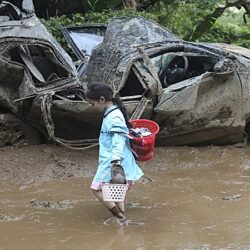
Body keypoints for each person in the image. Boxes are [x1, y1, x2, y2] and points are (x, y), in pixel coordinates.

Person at [86, 83, 144, 220]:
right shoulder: (113, 112)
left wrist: (116, 159)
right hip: (117, 158)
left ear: (101, 100)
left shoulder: (114, 117)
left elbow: (118, 139)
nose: (91, 107)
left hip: (112, 159)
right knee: (116, 190)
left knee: (96, 189)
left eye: (92, 103)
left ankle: (119, 217)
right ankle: (123, 217)